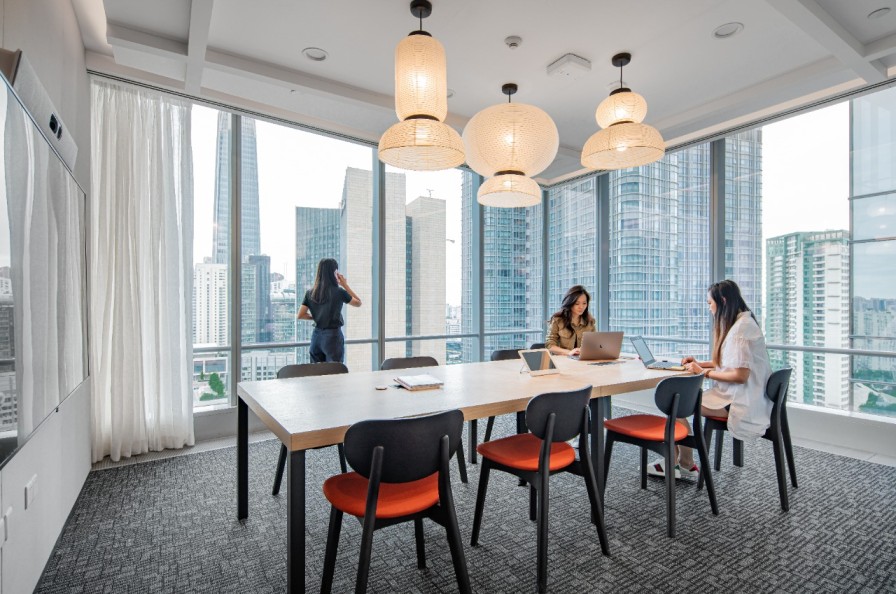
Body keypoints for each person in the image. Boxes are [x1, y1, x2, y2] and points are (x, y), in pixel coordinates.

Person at [648, 279, 772, 480]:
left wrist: (703, 372)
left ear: (722, 300)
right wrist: (701, 363)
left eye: (709, 303)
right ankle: (683, 463)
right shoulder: (743, 323)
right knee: (678, 400)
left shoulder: (741, 329)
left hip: (737, 403)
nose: (709, 308)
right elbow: (729, 363)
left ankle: (682, 464)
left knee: (675, 402)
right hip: (745, 397)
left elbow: (740, 375)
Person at [297, 258, 361, 363]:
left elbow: (301, 315)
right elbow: (358, 303)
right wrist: (344, 284)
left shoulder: (310, 293)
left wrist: (318, 316)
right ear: (335, 272)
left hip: (316, 337)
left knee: (316, 373)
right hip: (333, 337)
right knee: (335, 373)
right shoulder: (339, 292)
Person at [544, 285, 595, 357]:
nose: (581, 307)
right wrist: (569, 352)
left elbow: (594, 344)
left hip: (583, 361)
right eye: (577, 303)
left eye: (584, 303)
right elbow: (549, 345)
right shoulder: (557, 320)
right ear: (570, 303)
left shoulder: (590, 321)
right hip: (562, 361)